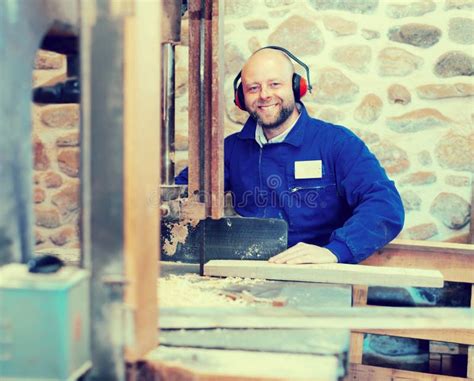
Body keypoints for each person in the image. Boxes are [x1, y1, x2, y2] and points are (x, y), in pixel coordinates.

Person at [176, 46, 404, 264]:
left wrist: (335, 251)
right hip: (249, 273)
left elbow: (385, 204)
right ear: (240, 98)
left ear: (296, 88)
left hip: (319, 276)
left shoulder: (336, 143)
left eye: (275, 84)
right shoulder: (230, 151)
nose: (264, 95)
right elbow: (182, 191)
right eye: (253, 88)